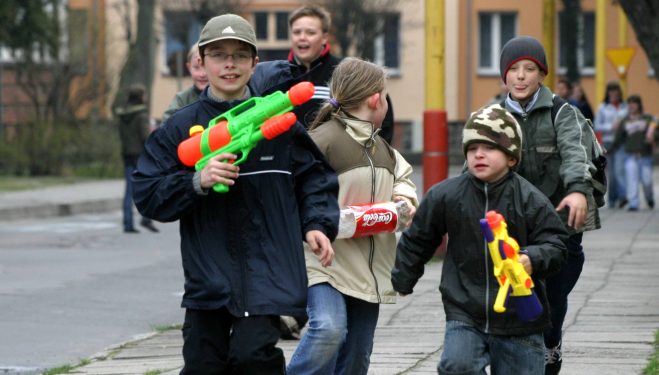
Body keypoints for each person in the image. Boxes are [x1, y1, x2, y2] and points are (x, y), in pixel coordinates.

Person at [132, 14, 340, 373]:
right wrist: (196, 181)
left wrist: (316, 223)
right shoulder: (180, 127)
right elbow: (147, 192)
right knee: (202, 365)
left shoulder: (278, 123)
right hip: (208, 280)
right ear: (202, 62)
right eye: (218, 55)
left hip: (268, 275)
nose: (230, 64)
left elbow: (315, 179)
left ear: (254, 63)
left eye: (240, 55)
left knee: (252, 358)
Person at [391, 104, 567, 374]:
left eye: (489, 148)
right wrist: (403, 278)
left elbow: (556, 245)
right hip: (465, 311)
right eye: (472, 148)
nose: (479, 154)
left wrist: (531, 258)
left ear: (511, 158)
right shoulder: (446, 195)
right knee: (457, 366)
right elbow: (419, 238)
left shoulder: (530, 199)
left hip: (520, 317)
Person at [287, 57, 418, 375]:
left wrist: (404, 200)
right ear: (375, 99)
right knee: (329, 330)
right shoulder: (322, 141)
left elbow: (403, 178)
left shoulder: (382, 148)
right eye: (385, 95)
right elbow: (296, 193)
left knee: (356, 358)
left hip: (367, 270)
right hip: (324, 264)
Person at [496, 36, 601, 374]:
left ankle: (551, 343)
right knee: (513, 297)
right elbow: (474, 165)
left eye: (529, 69)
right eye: (514, 69)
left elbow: (575, 155)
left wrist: (578, 191)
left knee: (553, 296)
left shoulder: (562, 113)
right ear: (504, 75)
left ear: (542, 74)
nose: (521, 76)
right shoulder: (493, 117)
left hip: (559, 220)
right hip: (514, 223)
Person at [250, 4, 395, 144]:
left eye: (310, 32)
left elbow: (381, 116)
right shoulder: (275, 76)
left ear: (325, 37)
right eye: (296, 32)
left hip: (335, 158)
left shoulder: (346, 73)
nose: (302, 37)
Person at [114, 84, 158, 233]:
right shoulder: (141, 116)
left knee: (129, 190)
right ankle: (146, 218)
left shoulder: (122, 115)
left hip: (127, 154)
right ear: (140, 97)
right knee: (149, 186)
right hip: (141, 156)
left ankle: (128, 223)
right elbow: (145, 137)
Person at [609, 95, 658, 211]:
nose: (631, 106)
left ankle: (649, 197)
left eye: (634, 103)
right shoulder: (625, 121)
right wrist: (610, 150)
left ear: (639, 105)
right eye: (629, 103)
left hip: (645, 156)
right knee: (631, 180)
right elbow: (618, 139)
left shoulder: (647, 118)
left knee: (647, 180)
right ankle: (633, 203)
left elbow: (656, 134)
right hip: (630, 155)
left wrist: (653, 138)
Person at [594, 81, 629, 208]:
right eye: (611, 91)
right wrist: (611, 126)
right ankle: (612, 199)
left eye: (616, 90)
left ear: (619, 92)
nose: (614, 93)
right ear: (608, 93)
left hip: (621, 143)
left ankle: (622, 197)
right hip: (608, 143)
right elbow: (597, 125)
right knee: (612, 174)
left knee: (620, 170)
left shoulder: (625, 107)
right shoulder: (603, 107)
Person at [161, 44, 209, 123]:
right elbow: (166, 125)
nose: (202, 74)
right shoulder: (182, 99)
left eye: (206, 67)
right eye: (196, 68)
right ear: (189, 67)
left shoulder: (224, 95)